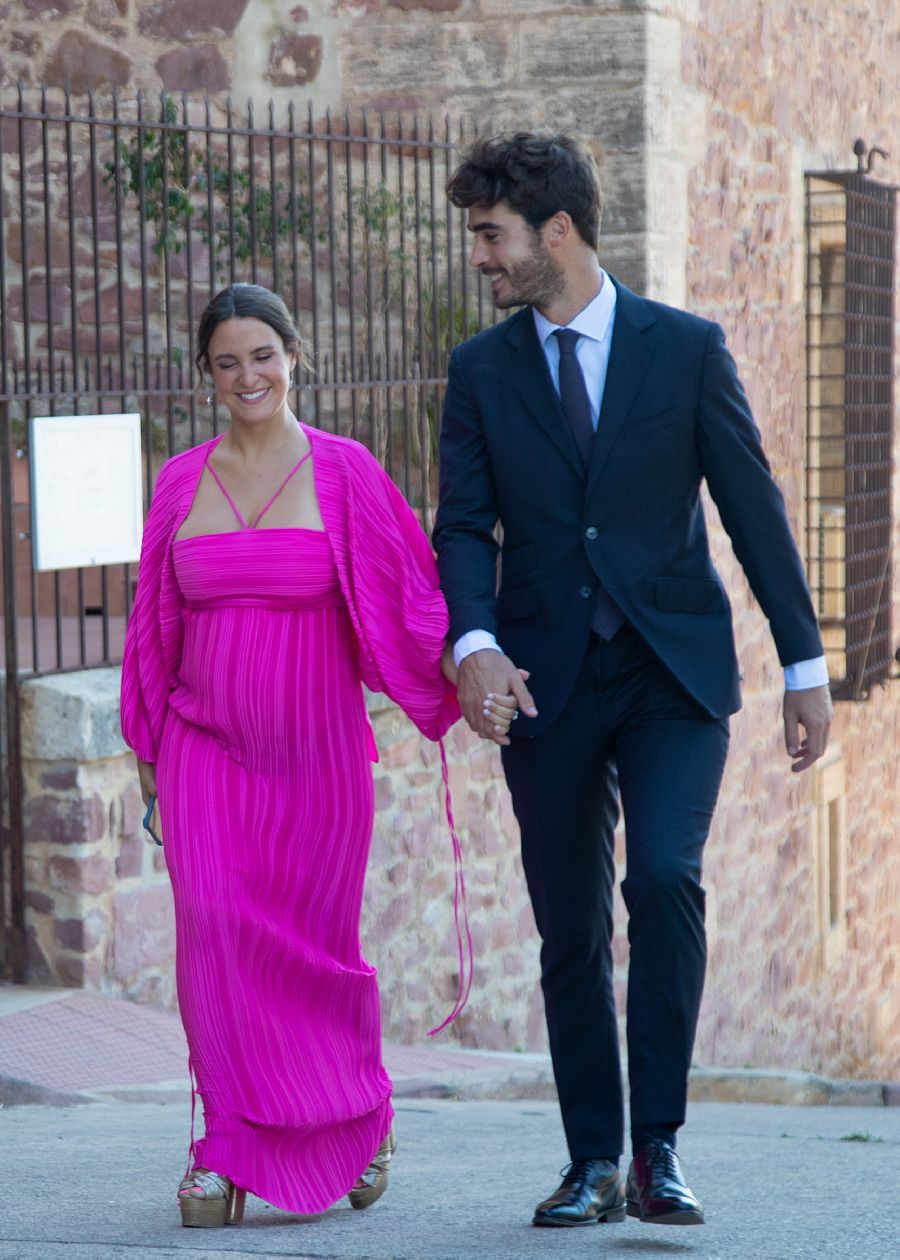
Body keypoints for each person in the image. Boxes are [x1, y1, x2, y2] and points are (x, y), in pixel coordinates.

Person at [433, 132, 833, 1229]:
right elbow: (463, 526)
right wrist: (474, 642)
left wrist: (804, 664)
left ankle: (658, 1149)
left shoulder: (685, 349)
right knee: (569, 923)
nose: (480, 256)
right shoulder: (480, 371)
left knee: (663, 877)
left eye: (492, 235)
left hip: (671, 671)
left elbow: (752, 509)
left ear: (557, 231)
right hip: (544, 676)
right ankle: (592, 1162)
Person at [120, 283, 514, 1227]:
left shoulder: (345, 473)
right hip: (205, 751)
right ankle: (221, 1149)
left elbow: (412, 601)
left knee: (314, 955)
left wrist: (472, 673)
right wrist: (150, 764)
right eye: (227, 362)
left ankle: (360, 1115)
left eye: (262, 355)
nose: (247, 375)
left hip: (318, 763)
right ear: (207, 374)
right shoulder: (180, 482)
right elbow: (153, 626)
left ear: (293, 357)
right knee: (213, 935)